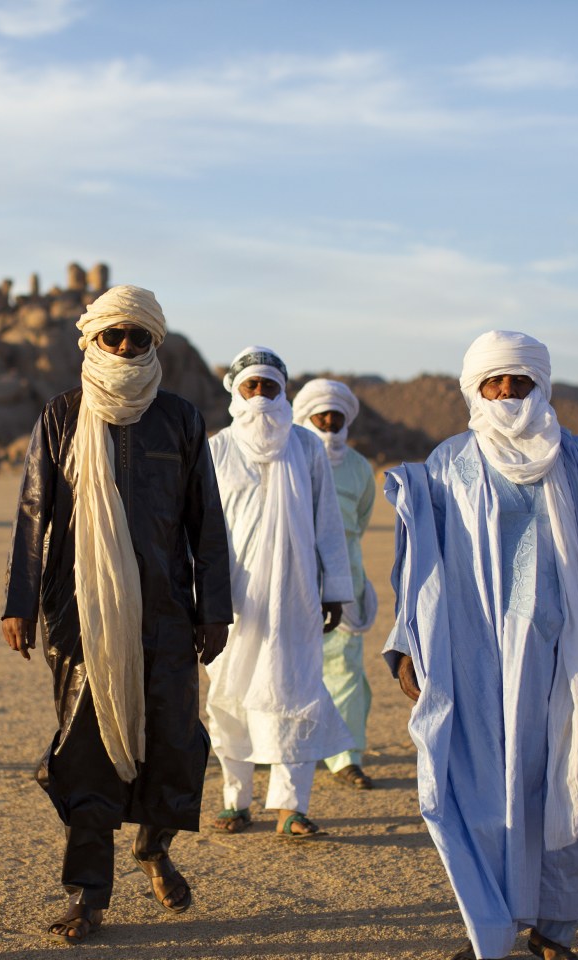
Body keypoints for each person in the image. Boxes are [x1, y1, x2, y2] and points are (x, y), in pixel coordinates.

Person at [384, 331, 578, 960]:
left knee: (572, 779)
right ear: (473, 389)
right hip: (477, 659)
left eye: (518, 382)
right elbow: (422, 563)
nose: (506, 394)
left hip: (567, 651)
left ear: (540, 386)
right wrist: (406, 641)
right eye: (493, 383)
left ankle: (556, 928)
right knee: (481, 790)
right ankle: (491, 929)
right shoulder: (448, 465)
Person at [1, 284, 232, 944]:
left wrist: (214, 609)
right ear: (92, 340)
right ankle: (88, 895)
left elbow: (205, 523)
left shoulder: (183, 420)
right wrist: (19, 604)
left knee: (177, 745)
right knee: (86, 750)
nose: (126, 346)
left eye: (139, 336)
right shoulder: (62, 416)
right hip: (80, 614)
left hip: (165, 612)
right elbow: (31, 518)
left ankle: (155, 847)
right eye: (114, 336)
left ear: (155, 342)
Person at [206, 347, 354, 840]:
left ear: (284, 391)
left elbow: (327, 524)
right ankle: (235, 800)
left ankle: (292, 806)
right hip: (233, 598)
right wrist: (199, 596)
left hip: (295, 598)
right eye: (252, 386)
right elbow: (199, 531)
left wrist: (334, 589)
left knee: (295, 691)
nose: (262, 396)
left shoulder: (308, 448)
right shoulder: (216, 449)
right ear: (236, 392)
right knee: (231, 695)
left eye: (270, 386)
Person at [292, 378, 378, 790]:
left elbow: (358, 523)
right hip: (290, 579)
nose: (328, 421)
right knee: (284, 667)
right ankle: (278, 749)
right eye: (320, 414)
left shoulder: (360, 468)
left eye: (336, 415)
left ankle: (346, 757)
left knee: (344, 668)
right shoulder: (286, 456)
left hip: (345, 580)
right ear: (303, 416)